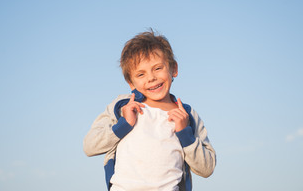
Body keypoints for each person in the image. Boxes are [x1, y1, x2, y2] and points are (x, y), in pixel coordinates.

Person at [83, 30, 216, 191]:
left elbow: (207, 168)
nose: (151, 78)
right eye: (140, 74)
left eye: (158, 68)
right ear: (130, 82)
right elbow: (90, 146)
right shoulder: (122, 107)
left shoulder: (186, 115)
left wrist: (185, 133)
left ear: (173, 68)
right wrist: (123, 124)